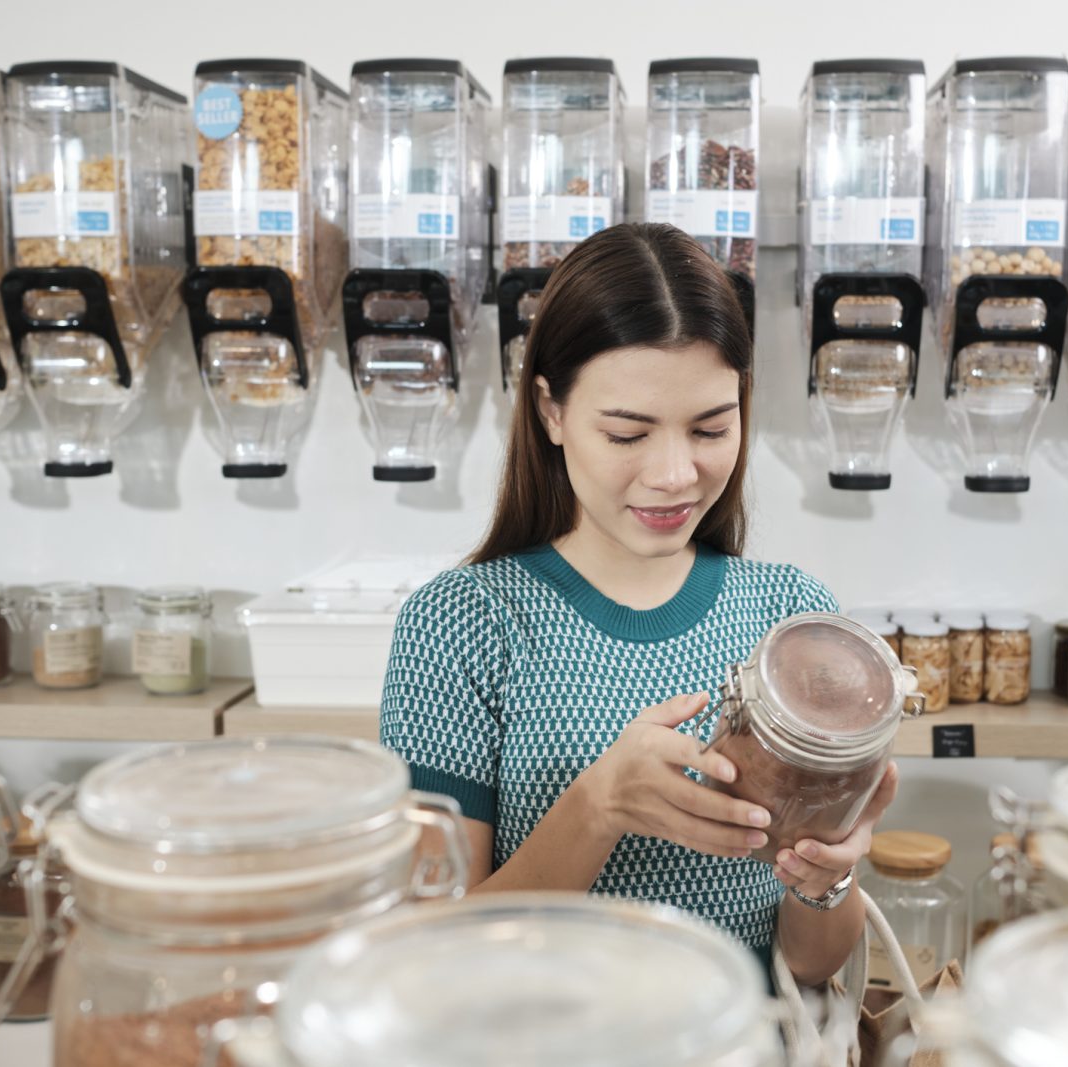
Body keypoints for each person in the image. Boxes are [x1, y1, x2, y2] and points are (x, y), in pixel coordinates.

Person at [380, 222, 898, 986]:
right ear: (551, 411)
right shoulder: (462, 623)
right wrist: (597, 808)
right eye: (628, 433)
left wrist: (828, 875)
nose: (674, 473)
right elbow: (428, 956)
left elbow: (809, 966)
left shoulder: (792, 617)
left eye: (711, 427)